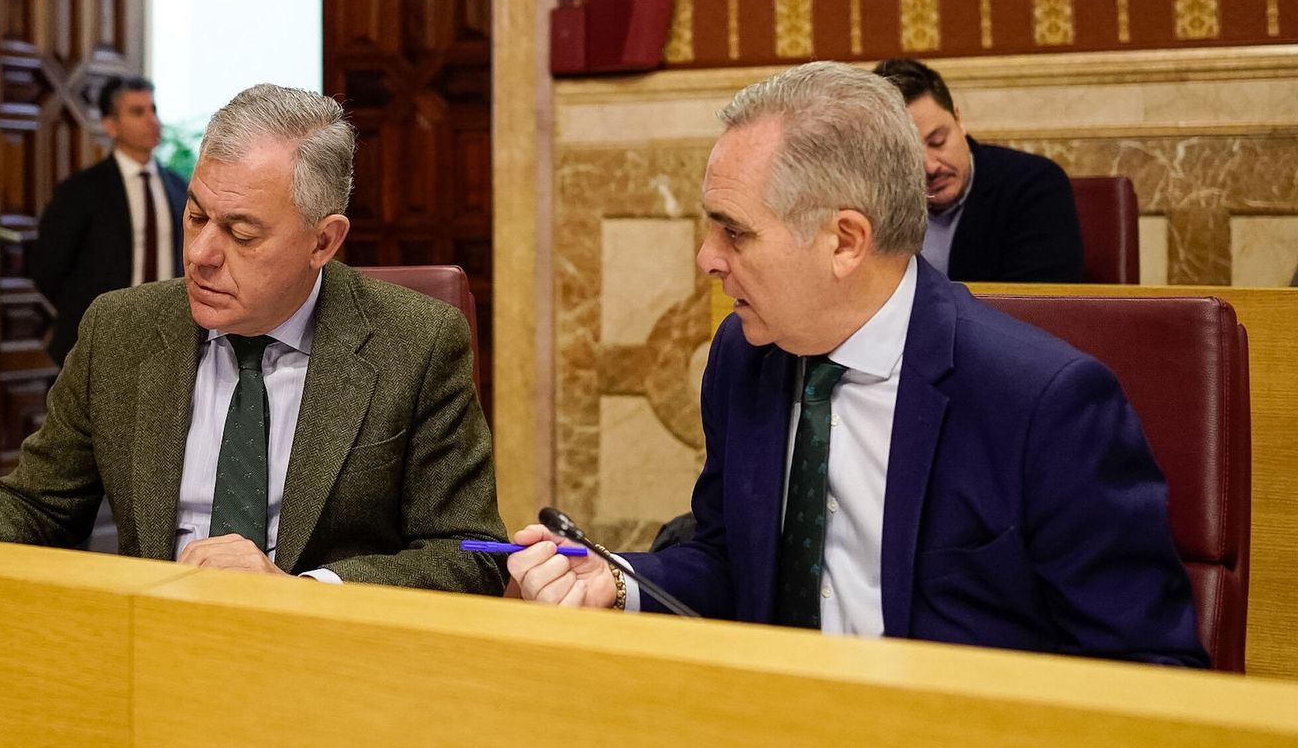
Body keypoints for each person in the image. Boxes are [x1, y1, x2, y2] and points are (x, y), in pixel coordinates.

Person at [506, 62, 1206, 665]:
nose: (707, 258)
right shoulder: (745, 355)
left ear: (845, 241)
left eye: (735, 231)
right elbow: (729, 559)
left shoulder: (1044, 403)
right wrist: (617, 582)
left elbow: (1149, 666)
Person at [0, 84, 506, 596]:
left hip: (329, 659)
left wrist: (300, 587)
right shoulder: (118, 330)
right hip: (149, 649)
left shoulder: (415, 343)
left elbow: (468, 553)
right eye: (197, 215)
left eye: (242, 233)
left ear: (324, 241)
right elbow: (37, 505)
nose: (201, 254)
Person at [873, 57, 1084, 284]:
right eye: (909, 154)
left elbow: (1037, 306)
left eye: (938, 141)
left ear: (958, 119)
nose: (930, 166)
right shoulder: (871, 202)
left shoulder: (1034, 185)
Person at [32, 76, 188, 366]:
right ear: (111, 125)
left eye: (153, 109)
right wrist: (87, 317)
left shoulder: (180, 188)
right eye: (138, 112)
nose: (152, 120)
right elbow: (48, 269)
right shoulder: (81, 191)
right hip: (99, 341)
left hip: (168, 342)